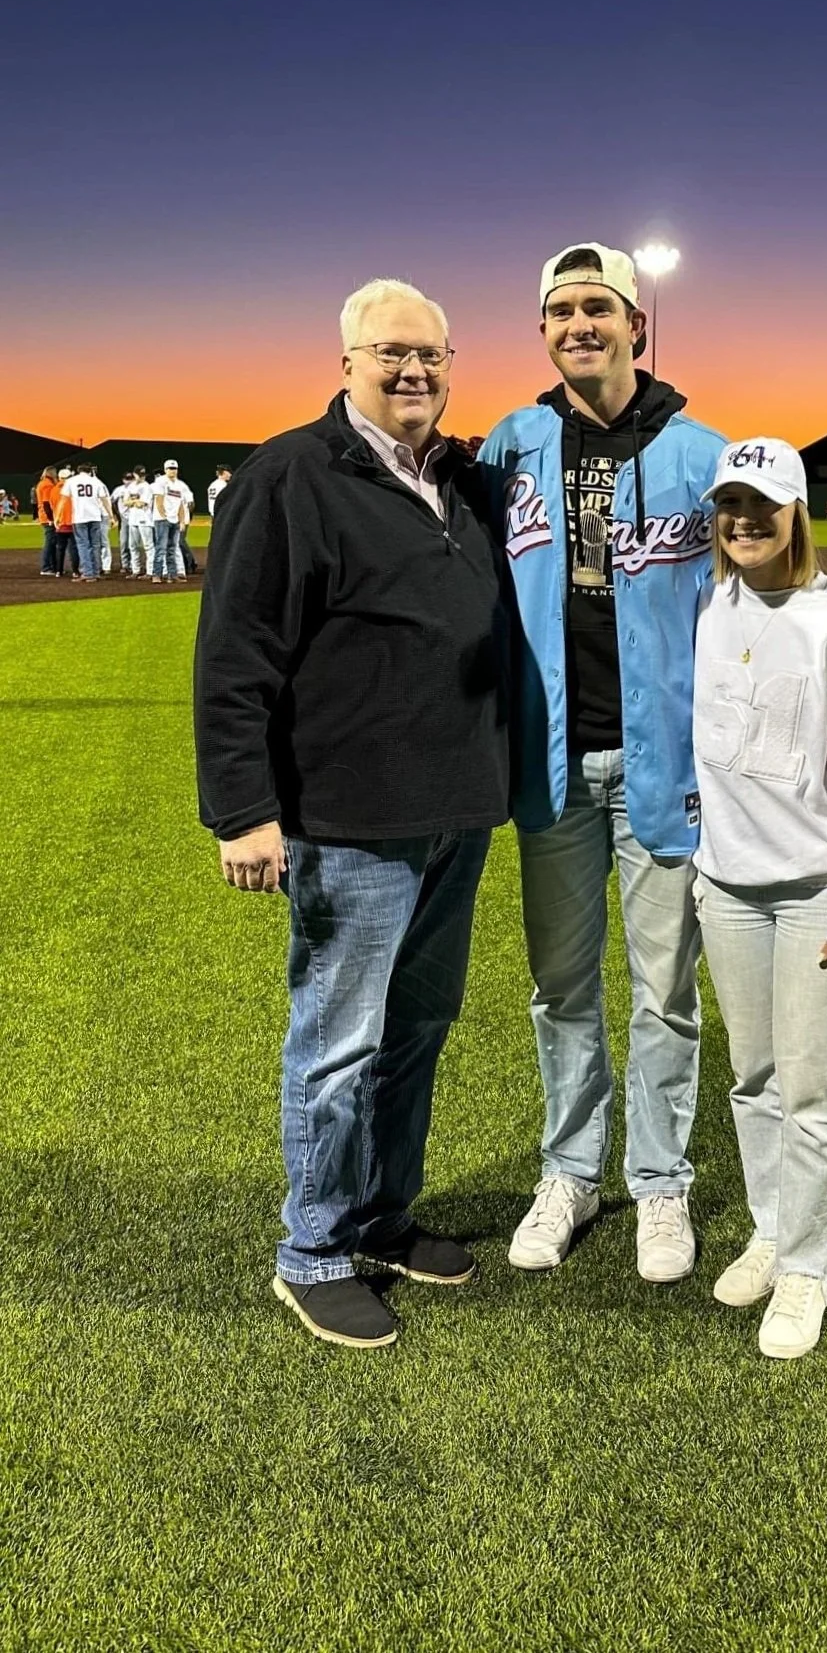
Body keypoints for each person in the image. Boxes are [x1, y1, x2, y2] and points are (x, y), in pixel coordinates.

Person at [195, 276, 510, 1350]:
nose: (413, 370)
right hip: (347, 818)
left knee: (416, 1030)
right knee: (337, 1044)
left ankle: (379, 1216)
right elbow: (234, 654)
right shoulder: (289, 475)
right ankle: (314, 1248)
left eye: (430, 353)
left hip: (457, 809)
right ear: (346, 363)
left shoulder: (461, 481)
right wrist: (243, 808)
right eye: (390, 352)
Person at [477, 241, 722, 1283]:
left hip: (667, 768)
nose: (579, 324)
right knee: (561, 985)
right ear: (543, 331)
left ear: (637, 325)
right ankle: (572, 1170)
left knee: (665, 992)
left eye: (598, 307)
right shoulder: (509, 444)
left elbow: (758, 610)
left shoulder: (704, 450)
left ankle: (660, 1181)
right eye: (561, 310)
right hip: (554, 766)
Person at [692, 438, 827, 1358]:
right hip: (730, 888)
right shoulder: (712, 604)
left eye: (763, 505)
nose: (744, 521)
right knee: (754, 1078)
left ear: (796, 511)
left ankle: (811, 1267)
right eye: (730, 505)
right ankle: (774, 1229)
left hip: (817, 895)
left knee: (816, 1085)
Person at [61, 461, 110, 581]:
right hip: (95, 516)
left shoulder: (71, 481)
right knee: (95, 545)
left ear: (78, 471)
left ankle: (88, 573)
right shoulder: (96, 481)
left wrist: (58, 516)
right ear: (90, 471)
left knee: (83, 545)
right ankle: (96, 571)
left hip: (80, 517)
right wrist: (111, 515)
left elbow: (64, 500)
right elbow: (104, 499)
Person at [152, 460, 191, 581]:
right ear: (165, 470)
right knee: (161, 548)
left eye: (174, 468)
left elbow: (180, 504)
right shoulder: (161, 481)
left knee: (172, 548)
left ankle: (172, 575)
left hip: (174, 519)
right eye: (169, 468)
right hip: (162, 520)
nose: (172, 470)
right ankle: (156, 575)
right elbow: (159, 500)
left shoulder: (180, 485)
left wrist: (182, 520)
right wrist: (163, 515)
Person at [118, 469, 155, 576]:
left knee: (148, 546)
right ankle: (135, 571)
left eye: (143, 475)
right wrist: (135, 501)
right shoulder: (131, 486)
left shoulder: (147, 486)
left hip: (145, 519)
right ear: (135, 475)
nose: (142, 477)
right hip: (132, 519)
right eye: (140, 475)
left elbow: (142, 504)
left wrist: (132, 501)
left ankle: (150, 571)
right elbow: (125, 502)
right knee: (132, 546)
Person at [36, 466, 61, 575]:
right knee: (50, 543)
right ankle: (46, 567)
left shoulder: (44, 483)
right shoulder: (47, 484)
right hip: (47, 517)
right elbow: (47, 503)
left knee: (52, 542)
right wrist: (51, 518)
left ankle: (53, 567)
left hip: (46, 516)